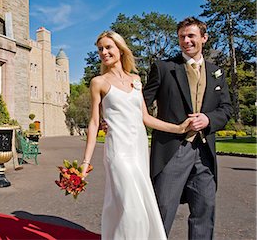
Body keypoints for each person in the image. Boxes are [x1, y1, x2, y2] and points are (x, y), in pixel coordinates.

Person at [81, 30, 192, 240]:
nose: (104, 52)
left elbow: (146, 118)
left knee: (138, 204)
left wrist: (179, 128)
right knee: (131, 205)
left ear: (120, 50)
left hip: (138, 149)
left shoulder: (136, 80)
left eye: (108, 47)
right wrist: (85, 163)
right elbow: (94, 123)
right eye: (100, 49)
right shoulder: (98, 82)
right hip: (117, 151)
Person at [143, 17, 232, 239]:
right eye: (182, 36)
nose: (186, 41)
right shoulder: (164, 68)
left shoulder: (216, 71)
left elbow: (226, 109)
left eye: (191, 36)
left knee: (204, 211)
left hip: (204, 154)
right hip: (171, 151)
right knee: (161, 212)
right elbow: (140, 104)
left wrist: (208, 120)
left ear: (204, 37)